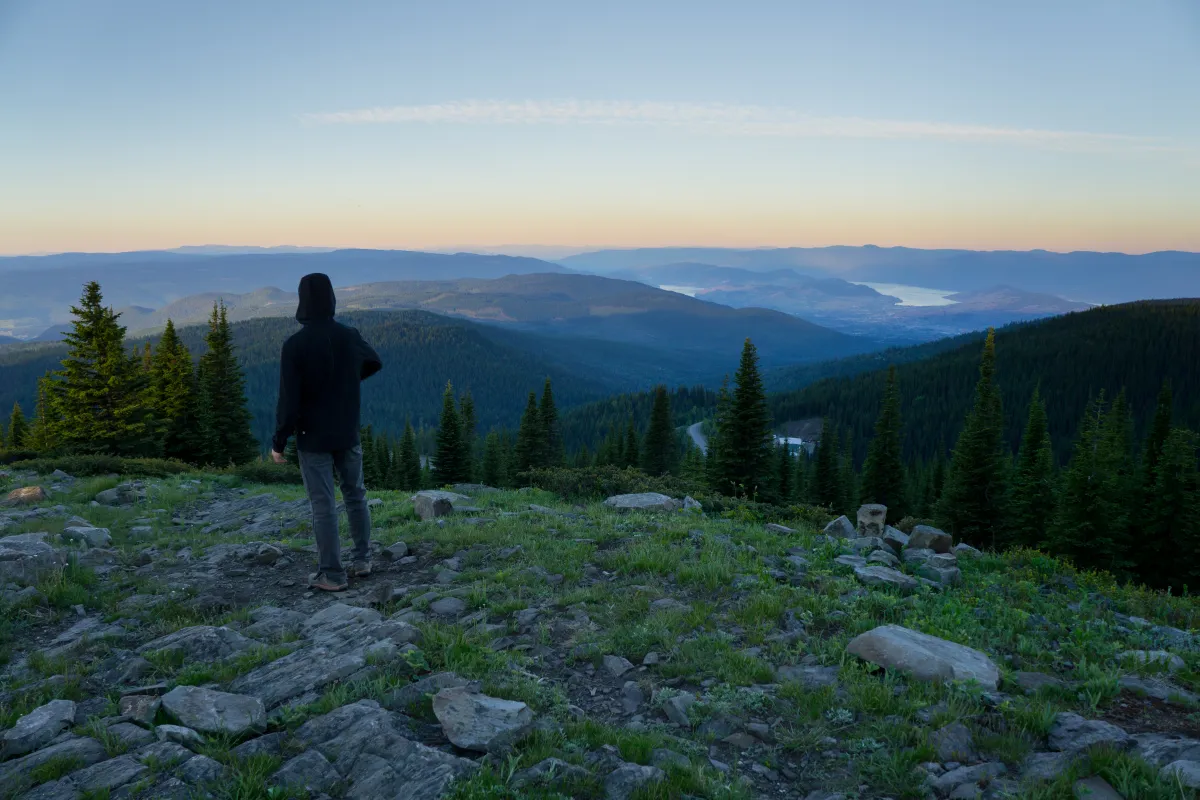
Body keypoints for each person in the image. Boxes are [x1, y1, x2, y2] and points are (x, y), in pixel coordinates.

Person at [271, 273, 382, 592]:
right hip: (347, 430)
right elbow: (374, 361)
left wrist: (279, 441)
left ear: (302, 301)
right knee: (355, 494)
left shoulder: (295, 345)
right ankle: (362, 559)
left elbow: (288, 401)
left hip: (313, 436)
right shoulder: (349, 335)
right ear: (331, 299)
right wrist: (349, 379)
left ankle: (332, 574)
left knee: (323, 504)